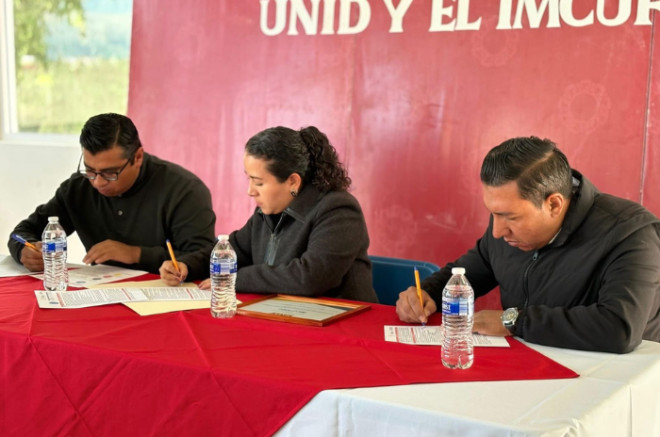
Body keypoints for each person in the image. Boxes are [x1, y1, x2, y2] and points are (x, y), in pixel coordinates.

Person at [396, 136, 660, 353]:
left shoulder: (629, 233)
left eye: (510, 217)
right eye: (493, 213)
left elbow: (619, 328)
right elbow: (466, 274)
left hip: (618, 383)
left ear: (553, 204)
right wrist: (426, 294)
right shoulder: (505, 230)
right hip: (528, 370)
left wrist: (514, 321)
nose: (497, 231)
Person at [160, 125, 378, 303]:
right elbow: (232, 249)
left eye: (259, 182)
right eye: (249, 179)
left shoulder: (338, 210)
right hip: (284, 315)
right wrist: (187, 265)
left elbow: (310, 277)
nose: (250, 191)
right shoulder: (267, 211)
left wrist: (235, 278)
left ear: (293, 181)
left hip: (342, 325)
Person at [8, 113, 216, 278]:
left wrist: (136, 254)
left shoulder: (184, 190)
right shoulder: (78, 188)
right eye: (90, 170)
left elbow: (205, 258)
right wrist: (24, 251)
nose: (98, 182)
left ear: (138, 157)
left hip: (167, 298)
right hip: (99, 293)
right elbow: (23, 232)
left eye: (110, 173)